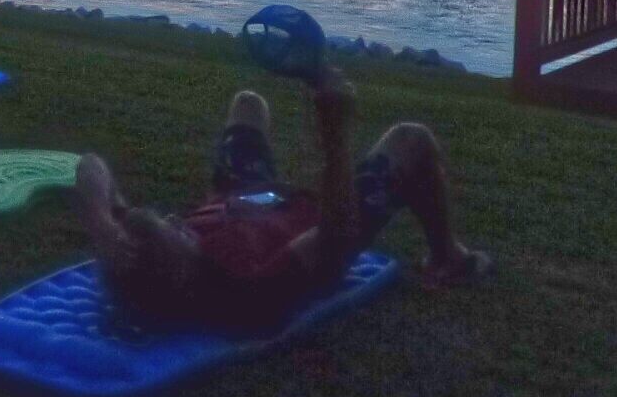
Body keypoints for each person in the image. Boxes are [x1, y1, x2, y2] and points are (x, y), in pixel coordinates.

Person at [76, 70, 489, 336]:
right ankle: (447, 256)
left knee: (248, 104)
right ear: (178, 267)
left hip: (243, 197)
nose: (174, 217)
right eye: (173, 227)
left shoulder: (158, 254)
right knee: (411, 139)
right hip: (325, 220)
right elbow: (334, 233)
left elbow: (90, 166)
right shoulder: (247, 284)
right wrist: (333, 133)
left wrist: (101, 222)